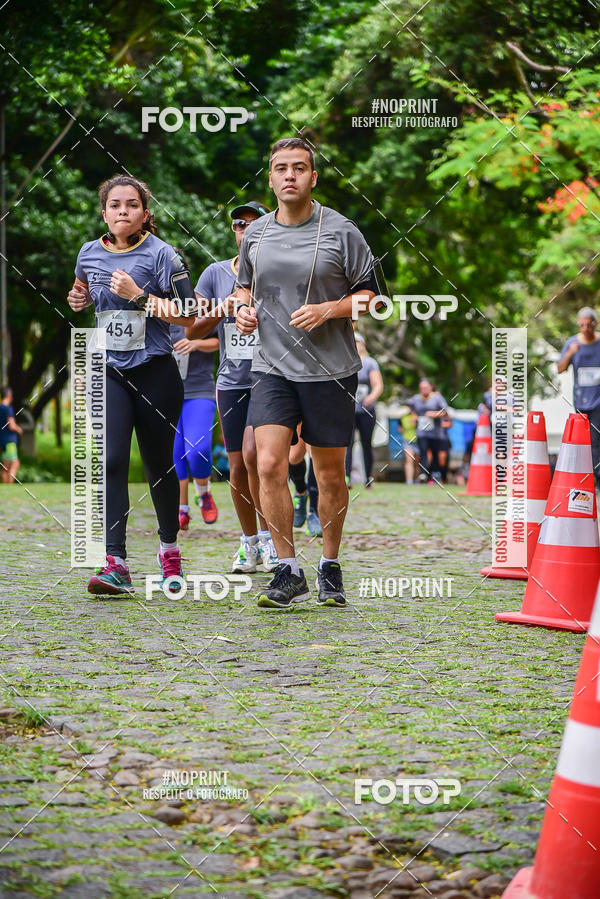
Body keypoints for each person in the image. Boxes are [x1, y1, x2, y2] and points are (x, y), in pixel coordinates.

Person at [235, 136, 377, 609]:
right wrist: (241, 310)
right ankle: (288, 568)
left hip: (330, 370)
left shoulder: (341, 231)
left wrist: (328, 309)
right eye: (281, 168)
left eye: (299, 168)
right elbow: (243, 289)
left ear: (313, 177)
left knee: (330, 475)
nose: (290, 175)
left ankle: (329, 564)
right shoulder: (256, 234)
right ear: (271, 178)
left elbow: (372, 299)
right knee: (268, 463)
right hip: (271, 366)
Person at [67, 174, 186, 595]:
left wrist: (139, 295)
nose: (123, 211)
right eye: (115, 205)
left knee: (158, 463)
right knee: (112, 459)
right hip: (109, 371)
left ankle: (169, 550)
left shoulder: (163, 254)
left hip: (155, 370)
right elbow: (82, 290)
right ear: (104, 213)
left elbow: (188, 314)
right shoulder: (88, 252)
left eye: (132, 204)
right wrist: (78, 298)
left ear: (145, 213)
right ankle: (114, 561)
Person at [185, 200, 278, 573]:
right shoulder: (215, 273)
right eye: (240, 223)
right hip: (232, 382)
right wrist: (223, 308)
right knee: (238, 466)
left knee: (257, 457)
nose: (246, 229)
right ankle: (249, 542)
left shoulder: (280, 271)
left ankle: (271, 539)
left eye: (255, 224)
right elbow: (191, 330)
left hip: (270, 379)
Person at [558, 306, 600, 489]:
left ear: (595, 323)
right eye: (582, 325)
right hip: (581, 400)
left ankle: (596, 479)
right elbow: (560, 368)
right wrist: (570, 353)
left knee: (595, 440)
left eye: (589, 325)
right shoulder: (572, 343)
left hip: (598, 400)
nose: (585, 329)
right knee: (583, 441)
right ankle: (586, 478)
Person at [345, 333, 383, 488]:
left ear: (363, 344)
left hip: (366, 411)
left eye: (357, 342)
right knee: (347, 444)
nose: (355, 344)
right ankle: (347, 477)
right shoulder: (345, 360)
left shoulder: (369, 363)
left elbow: (378, 385)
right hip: (349, 410)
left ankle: (368, 477)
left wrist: (371, 397)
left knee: (366, 444)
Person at [407, 379, 448, 484]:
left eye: (425, 388)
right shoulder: (416, 398)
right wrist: (414, 415)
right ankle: (423, 474)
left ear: (431, 387)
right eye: (421, 388)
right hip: (422, 431)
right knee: (423, 452)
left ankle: (435, 474)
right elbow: (408, 405)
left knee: (435, 453)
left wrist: (434, 414)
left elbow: (445, 411)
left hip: (435, 433)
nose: (423, 390)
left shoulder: (437, 398)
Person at [0, 387, 23, 484]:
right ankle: (9, 485)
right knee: (14, 464)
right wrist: (19, 429)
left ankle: (6, 487)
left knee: (5, 466)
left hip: (2, 441)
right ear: (9, 395)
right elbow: (12, 425)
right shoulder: (8, 408)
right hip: (10, 440)